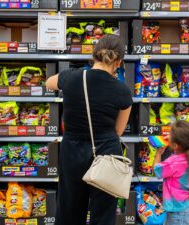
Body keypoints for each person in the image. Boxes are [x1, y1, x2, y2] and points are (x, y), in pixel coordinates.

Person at [46, 34, 133, 225]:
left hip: (72, 152)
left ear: (94, 55)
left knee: (70, 208)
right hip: (106, 155)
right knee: (103, 213)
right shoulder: (123, 91)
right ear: (118, 62)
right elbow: (118, 131)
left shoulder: (71, 77)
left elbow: (49, 82)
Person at [153, 120, 189, 225]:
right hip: (186, 206)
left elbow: (157, 171)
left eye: (169, 134)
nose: (167, 136)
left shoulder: (174, 162)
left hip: (178, 211)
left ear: (176, 145)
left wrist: (158, 154)